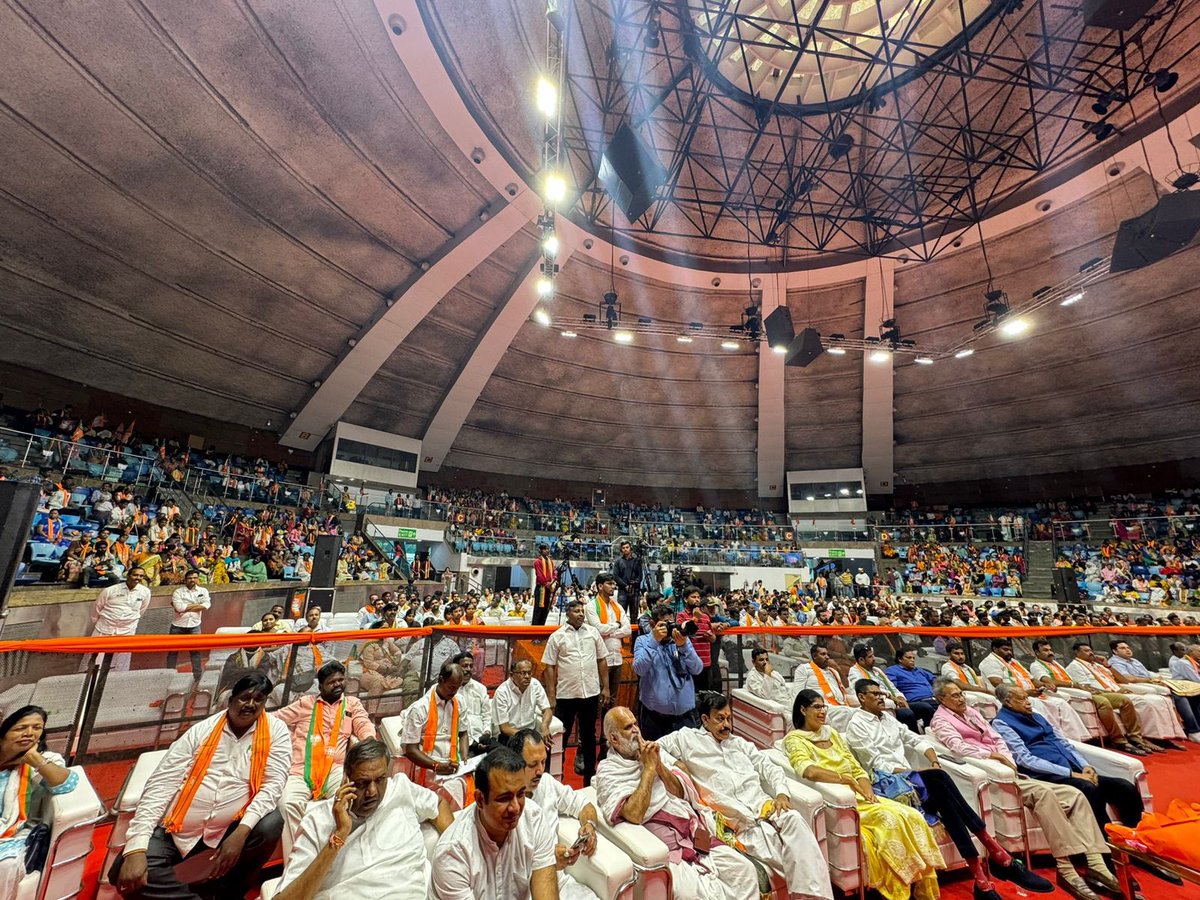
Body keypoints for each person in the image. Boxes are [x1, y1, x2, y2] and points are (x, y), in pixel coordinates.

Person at [845, 679, 1051, 900]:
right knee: (939, 781)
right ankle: (998, 857)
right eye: (874, 694)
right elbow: (875, 763)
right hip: (887, 785)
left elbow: (915, 740)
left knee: (945, 795)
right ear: (861, 697)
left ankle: (982, 877)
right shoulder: (856, 724)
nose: (880, 697)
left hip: (912, 780)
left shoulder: (889, 719)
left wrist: (933, 762)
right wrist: (916, 773)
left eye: (880, 693)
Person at [929, 679, 1119, 900]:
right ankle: (1066, 868)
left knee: (1075, 795)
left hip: (1010, 769)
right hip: (992, 774)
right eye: (954, 695)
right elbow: (958, 747)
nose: (961, 698)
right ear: (941, 699)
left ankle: (1096, 863)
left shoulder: (972, 712)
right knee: (1045, 794)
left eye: (961, 693)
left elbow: (997, 738)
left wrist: (1007, 758)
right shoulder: (940, 720)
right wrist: (994, 757)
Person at [112, 674, 290, 900]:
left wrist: (241, 833)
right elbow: (161, 785)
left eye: (259, 699)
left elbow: (273, 785)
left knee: (271, 824)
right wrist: (136, 848)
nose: (251, 705)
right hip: (179, 826)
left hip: (232, 825)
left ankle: (229, 894)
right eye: (245, 698)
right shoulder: (201, 731)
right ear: (230, 700)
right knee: (122, 872)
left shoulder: (276, 731)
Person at [658, 692, 833, 900]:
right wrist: (675, 764)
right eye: (720, 719)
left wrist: (781, 793)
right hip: (734, 819)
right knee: (789, 852)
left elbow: (770, 768)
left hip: (762, 806)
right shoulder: (686, 738)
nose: (727, 725)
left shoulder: (739, 744)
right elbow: (654, 749)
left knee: (795, 819)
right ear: (705, 719)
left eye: (729, 719)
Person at [784, 690, 943, 900]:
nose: (822, 711)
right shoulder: (795, 739)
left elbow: (856, 768)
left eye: (824, 707)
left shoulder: (831, 733)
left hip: (861, 794)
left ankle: (919, 885)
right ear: (803, 710)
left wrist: (867, 790)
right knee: (889, 820)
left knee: (911, 815)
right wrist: (845, 780)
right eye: (816, 707)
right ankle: (899, 891)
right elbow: (808, 770)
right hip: (839, 798)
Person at [595, 707, 759, 900]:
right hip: (667, 847)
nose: (636, 730)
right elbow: (634, 814)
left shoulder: (651, 751)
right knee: (692, 894)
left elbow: (681, 793)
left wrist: (659, 766)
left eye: (635, 724)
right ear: (614, 739)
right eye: (628, 727)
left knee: (744, 870)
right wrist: (648, 770)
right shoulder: (608, 770)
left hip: (692, 834)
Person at [275, 739, 453, 900]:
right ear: (345, 780)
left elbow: (438, 804)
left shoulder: (401, 788)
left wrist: (454, 851)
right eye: (362, 783)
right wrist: (339, 834)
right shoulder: (317, 820)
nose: (372, 792)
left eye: (380, 780)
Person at [991, 684, 1144, 829]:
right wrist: (1072, 773)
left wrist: (1085, 766)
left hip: (1074, 769)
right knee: (1089, 788)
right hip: (1047, 776)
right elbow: (1025, 759)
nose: (1028, 702)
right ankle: (1106, 847)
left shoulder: (1037, 716)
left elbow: (1064, 743)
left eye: (1027, 697)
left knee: (1125, 787)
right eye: (1022, 699)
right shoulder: (1001, 723)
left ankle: (1137, 844)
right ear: (1008, 702)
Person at [274, 661, 376, 851]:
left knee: (345, 798)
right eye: (332, 682)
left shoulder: (351, 704)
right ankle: (298, 861)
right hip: (301, 769)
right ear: (320, 686)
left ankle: (330, 852)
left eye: (341, 680)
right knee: (287, 802)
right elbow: (274, 720)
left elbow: (363, 725)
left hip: (334, 769)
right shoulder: (306, 704)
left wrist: (370, 742)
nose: (338, 684)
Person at [432, 747, 558, 899]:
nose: (516, 808)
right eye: (504, 798)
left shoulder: (534, 818)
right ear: (479, 800)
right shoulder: (453, 854)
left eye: (520, 794)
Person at [508, 729, 604, 900]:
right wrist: (546, 861)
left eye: (543, 762)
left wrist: (589, 825)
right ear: (514, 764)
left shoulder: (546, 783)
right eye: (532, 765)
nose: (539, 771)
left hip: (559, 882)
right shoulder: (503, 804)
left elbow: (584, 805)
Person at [0, 706, 78, 900]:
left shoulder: (45, 761)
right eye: (20, 728)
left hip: (11, 834)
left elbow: (66, 784)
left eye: (37, 728)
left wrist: (34, 758)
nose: (29, 733)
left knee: (6, 864)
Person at [1028, 640, 1147, 755]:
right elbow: (1048, 681)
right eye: (1045, 650)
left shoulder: (1056, 664)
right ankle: (1118, 740)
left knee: (1124, 700)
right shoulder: (1036, 665)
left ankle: (1135, 737)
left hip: (1083, 689)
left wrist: (1082, 686)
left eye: (1050, 649)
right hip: (1072, 693)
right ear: (1036, 653)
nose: (1050, 652)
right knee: (1103, 702)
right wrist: (1074, 685)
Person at [542, 599, 608, 786]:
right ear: (568, 613)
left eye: (582, 611)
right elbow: (549, 666)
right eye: (577, 611)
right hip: (566, 695)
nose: (581, 614)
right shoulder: (558, 636)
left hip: (591, 693)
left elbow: (602, 660)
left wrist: (606, 687)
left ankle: (589, 778)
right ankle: (555, 778)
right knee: (560, 738)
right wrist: (551, 695)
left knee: (588, 738)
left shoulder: (593, 632)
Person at [1065, 643, 1184, 748]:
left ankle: (1163, 736)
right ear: (1077, 652)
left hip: (1119, 689)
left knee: (1160, 700)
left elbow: (1122, 680)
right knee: (1142, 702)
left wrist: (1107, 665)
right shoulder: (1075, 666)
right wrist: (1116, 692)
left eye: (1091, 650)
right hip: (1106, 694)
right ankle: (1142, 737)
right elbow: (1088, 688)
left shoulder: (1097, 665)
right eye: (1086, 651)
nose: (1090, 653)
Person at [978, 639, 1089, 741]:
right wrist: (1025, 693)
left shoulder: (1013, 662)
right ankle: (1053, 738)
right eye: (1005, 650)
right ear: (995, 649)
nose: (1009, 653)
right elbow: (998, 683)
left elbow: (1031, 679)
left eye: (1010, 650)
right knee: (1040, 707)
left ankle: (1077, 739)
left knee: (1061, 704)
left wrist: (1045, 685)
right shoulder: (990, 662)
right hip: (1011, 698)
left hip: (1030, 694)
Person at [632, 603, 702, 740]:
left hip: (685, 717)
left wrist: (684, 647)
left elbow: (697, 669)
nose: (669, 627)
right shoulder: (642, 641)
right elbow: (639, 669)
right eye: (664, 624)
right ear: (653, 624)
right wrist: (654, 641)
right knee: (656, 758)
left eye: (671, 623)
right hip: (654, 718)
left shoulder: (681, 640)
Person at [1108, 639, 1200, 743]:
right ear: (1115, 651)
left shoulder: (1134, 661)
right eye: (1123, 648)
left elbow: (1147, 673)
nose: (1127, 650)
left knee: (1193, 693)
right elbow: (1127, 678)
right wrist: (1150, 680)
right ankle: (1193, 730)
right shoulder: (1114, 663)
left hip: (1151, 681)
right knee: (1179, 695)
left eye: (1128, 647)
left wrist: (1158, 677)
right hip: (1139, 686)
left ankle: (1197, 726)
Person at [402, 661, 470, 784]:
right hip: (427, 766)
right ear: (440, 680)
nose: (454, 692)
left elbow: (463, 733)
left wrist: (464, 759)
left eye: (457, 688)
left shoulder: (459, 701)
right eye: (451, 687)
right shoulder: (420, 708)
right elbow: (411, 750)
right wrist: (437, 766)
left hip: (453, 764)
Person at [90, 566, 151, 672]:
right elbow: (97, 607)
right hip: (104, 628)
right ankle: (91, 682)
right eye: (135, 575)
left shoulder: (145, 592)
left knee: (122, 660)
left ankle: (117, 682)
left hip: (127, 629)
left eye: (141, 576)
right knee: (96, 659)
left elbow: (141, 610)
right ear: (128, 575)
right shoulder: (111, 590)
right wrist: (97, 621)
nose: (138, 578)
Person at [849, 644, 918, 731]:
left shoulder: (877, 670)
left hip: (895, 702)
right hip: (882, 704)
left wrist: (901, 698)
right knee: (907, 714)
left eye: (873, 655)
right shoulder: (854, 672)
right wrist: (892, 698)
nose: (874, 658)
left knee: (924, 708)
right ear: (861, 660)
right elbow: (867, 690)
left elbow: (891, 687)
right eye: (870, 657)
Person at [585, 572, 629, 705]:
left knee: (612, 700)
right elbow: (598, 629)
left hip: (617, 658)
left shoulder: (618, 607)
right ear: (599, 586)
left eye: (614, 584)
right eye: (609, 584)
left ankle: (609, 725)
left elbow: (627, 630)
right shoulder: (591, 606)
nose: (613, 587)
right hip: (600, 659)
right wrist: (616, 625)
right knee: (598, 698)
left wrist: (610, 632)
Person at [794, 644, 857, 730]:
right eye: (823, 654)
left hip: (841, 702)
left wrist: (837, 668)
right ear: (814, 656)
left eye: (827, 654)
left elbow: (846, 686)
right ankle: (839, 738)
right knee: (846, 712)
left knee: (866, 706)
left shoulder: (832, 670)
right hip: (822, 705)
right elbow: (798, 692)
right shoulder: (804, 669)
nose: (827, 657)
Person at [492, 660, 555, 739]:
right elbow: (505, 728)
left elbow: (547, 710)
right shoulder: (502, 692)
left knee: (547, 745)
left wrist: (544, 726)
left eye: (529, 673)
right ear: (512, 675)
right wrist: (526, 738)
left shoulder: (535, 685)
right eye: (523, 673)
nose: (527, 676)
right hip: (510, 735)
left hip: (531, 732)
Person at [167, 570, 210, 678]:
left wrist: (185, 607)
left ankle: (197, 676)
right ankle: (168, 675)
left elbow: (206, 605)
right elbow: (179, 608)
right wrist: (196, 605)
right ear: (185, 580)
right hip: (178, 626)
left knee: (195, 652)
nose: (193, 580)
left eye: (195, 578)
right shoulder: (178, 592)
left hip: (195, 626)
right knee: (173, 652)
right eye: (190, 578)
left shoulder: (203, 591)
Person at [884, 647, 939, 729]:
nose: (912, 660)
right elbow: (891, 688)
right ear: (900, 659)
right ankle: (929, 730)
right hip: (915, 702)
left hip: (934, 699)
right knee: (926, 707)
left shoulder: (919, 670)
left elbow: (936, 680)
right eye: (909, 658)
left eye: (913, 658)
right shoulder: (892, 671)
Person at [939, 642, 998, 718]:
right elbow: (959, 685)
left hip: (974, 690)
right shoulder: (947, 667)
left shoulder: (967, 667)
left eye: (962, 654)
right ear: (949, 654)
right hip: (961, 692)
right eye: (956, 654)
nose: (960, 656)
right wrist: (984, 690)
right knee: (983, 698)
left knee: (995, 699)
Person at [452, 652, 494, 753]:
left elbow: (487, 715)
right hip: (457, 739)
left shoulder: (480, 689)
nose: (468, 669)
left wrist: (486, 733)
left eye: (471, 666)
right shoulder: (450, 690)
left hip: (479, 737)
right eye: (465, 666)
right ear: (456, 668)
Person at [612, 541, 643, 620]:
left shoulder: (636, 561)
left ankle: (634, 632)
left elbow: (640, 576)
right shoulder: (618, 561)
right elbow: (615, 576)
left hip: (635, 591)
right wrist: (625, 586)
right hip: (623, 591)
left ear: (630, 548)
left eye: (627, 547)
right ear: (621, 550)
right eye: (623, 548)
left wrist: (634, 584)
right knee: (621, 614)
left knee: (634, 615)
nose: (625, 549)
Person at [531, 545, 557, 628]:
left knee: (545, 611)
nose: (547, 550)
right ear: (541, 550)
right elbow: (540, 575)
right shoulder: (537, 562)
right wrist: (547, 584)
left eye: (548, 549)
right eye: (545, 549)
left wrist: (552, 583)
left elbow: (554, 573)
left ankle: (541, 630)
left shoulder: (551, 561)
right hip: (541, 589)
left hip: (549, 588)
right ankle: (534, 633)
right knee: (538, 611)